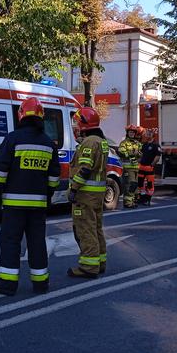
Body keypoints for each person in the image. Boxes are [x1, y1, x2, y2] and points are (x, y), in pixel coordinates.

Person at [0, 97, 60, 296]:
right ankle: (41, 284)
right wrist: (47, 195)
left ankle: (7, 285)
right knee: (37, 243)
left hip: (13, 205)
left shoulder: (12, 139)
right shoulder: (48, 143)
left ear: (21, 115)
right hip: (38, 206)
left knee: (10, 242)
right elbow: (54, 178)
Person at [67, 107, 109, 279]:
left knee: (85, 229)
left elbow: (84, 169)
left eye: (78, 121)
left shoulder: (89, 142)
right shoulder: (101, 141)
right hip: (97, 195)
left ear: (84, 123)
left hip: (85, 195)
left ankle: (88, 267)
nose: (76, 124)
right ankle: (100, 262)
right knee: (96, 228)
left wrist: (73, 189)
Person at [118, 125, 143, 208]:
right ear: (127, 133)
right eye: (130, 132)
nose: (131, 133)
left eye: (133, 132)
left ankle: (132, 201)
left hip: (136, 168)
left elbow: (141, 153)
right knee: (129, 185)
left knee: (134, 185)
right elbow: (121, 152)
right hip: (128, 168)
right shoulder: (124, 143)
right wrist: (130, 154)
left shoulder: (137, 143)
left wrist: (138, 154)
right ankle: (127, 203)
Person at [137, 128, 162, 206]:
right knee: (140, 183)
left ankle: (148, 199)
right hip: (141, 167)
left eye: (149, 134)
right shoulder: (144, 144)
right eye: (147, 134)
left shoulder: (156, 145)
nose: (147, 135)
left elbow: (157, 157)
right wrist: (138, 162)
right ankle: (142, 198)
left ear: (153, 135)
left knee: (150, 184)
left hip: (149, 167)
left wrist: (152, 165)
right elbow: (141, 155)